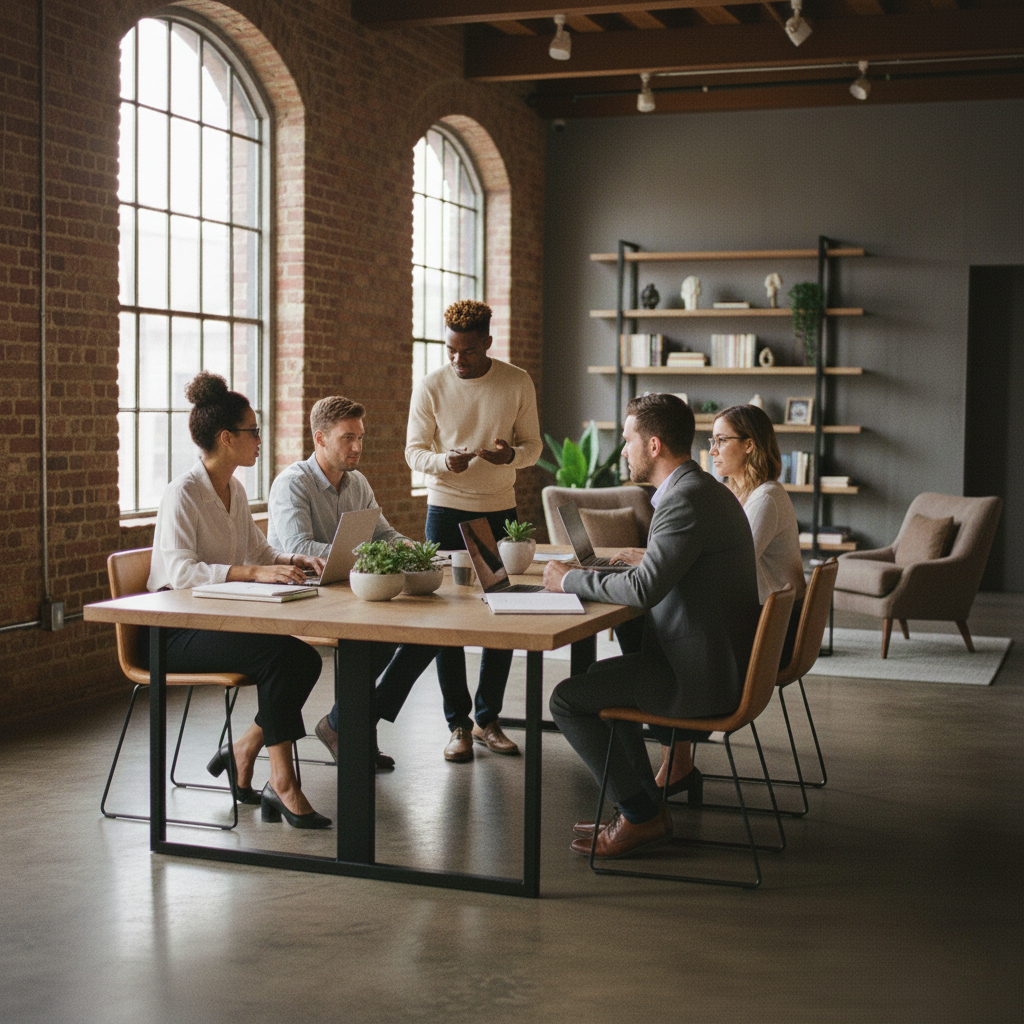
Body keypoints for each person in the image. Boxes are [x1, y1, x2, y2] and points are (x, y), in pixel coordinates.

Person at [542, 393, 760, 858]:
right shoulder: (699, 491)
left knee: (567, 700)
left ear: (654, 445)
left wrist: (571, 581)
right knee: (600, 680)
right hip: (714, 660)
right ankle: (640, 810)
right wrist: (604, 575)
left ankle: (641, 818)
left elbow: (644, 591)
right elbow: (660, 575)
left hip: (701, 678)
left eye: (628, 440)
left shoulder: (685, 500)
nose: (622, 451)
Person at [146, 371, 330, 829]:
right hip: (175, 632)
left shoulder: (236, 488)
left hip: (218, 623)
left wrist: (294, 560)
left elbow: (260, 552)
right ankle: (284, 784)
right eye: (252, 431)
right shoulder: (182, 493)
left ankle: (244, 748)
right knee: (279, 656)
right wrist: (252, 571)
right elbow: (180, 573)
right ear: (226, 438)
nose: (259, 439)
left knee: (303, 660)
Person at [268, 395, 438, 769]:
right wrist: (370, 555)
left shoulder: (357, 483)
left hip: (346, 588)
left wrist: (407, 546)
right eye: (347, 438)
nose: (357, 447)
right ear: (320, 439)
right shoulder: (292, 483)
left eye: (360, 437)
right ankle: (349, 726)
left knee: (431, 634)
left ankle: (345, 723)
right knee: (377, 637)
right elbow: (299, 547)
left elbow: (384, 533)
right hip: (301, 591)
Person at [405, 299, 543, 762]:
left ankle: (487, 719)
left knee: (501, 614)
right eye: (450, 350)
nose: (457, 360)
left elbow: (533, 445)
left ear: (487, 342)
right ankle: (457, 725)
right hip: (444, 509)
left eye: (466, 351)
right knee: (446, 621)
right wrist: (444, 461)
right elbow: (413, 452)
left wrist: (511, 457)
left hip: (499, 510)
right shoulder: (431, 386)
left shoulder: (516, 380)